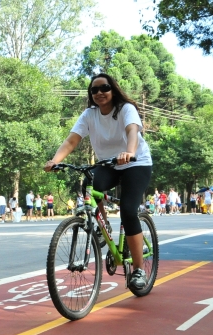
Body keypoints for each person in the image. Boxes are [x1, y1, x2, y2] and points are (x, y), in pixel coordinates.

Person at [44, 72, 153, 293]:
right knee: (89, 184)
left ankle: (139, 270)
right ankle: (103, 225)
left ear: (113, 89)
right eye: (94, 90)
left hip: (135, 162)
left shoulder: (125, 109)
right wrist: (55, 161)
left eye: (104, 88)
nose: (99, 93)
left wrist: (129, 152)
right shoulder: (89, 115)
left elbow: (132, 131)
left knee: (129, 210)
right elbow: (72, 140)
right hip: (110, 164)